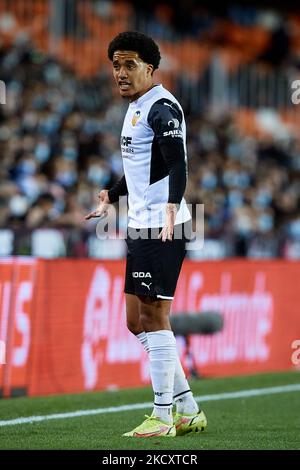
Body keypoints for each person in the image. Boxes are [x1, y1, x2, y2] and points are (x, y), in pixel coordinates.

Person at [85, 31, 207, 438]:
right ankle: (188, 408)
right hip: (142, 224)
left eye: (130, 65)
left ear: (150, 68)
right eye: (116, 65)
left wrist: (173, 204)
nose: (120, 72)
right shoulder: (137, 107)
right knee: (135, 321)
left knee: (155, 317)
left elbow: (177, 162)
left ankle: (162, 416)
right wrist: (112, 193)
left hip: (163, 225)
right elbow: (140, 165)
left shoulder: (161, 108)